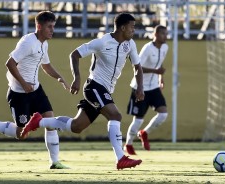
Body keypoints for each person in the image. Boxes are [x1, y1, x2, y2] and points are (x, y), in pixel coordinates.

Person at [20, 13, 145, 170]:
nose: (134, 30)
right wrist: (77, 78)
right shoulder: (102, 42)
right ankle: (120, 158)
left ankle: (39, 121)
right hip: (94, 86)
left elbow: (137, 67)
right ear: (123, 27)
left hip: (105, 90)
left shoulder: (130, 44)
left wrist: (140, 87)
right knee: (115, 115)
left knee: (76, 126)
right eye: (132, 27)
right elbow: (75, 54)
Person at [0, 11, 70, 169]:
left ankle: (55, 162)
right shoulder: (28, 42)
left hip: (36, 90)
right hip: (19, 93)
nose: (52, 30)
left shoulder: (44, 43)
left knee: (50, 121)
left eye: (54, 26)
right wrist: (24, 84)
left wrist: (60, 78)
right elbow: (10, 63)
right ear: (39, 26)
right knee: (22, 134)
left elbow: (46, 65)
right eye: (49, 27)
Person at [124, 25, 169, 155]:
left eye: (166, 34)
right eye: (163, 34)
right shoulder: (147, 48)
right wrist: (156, 71)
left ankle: (144, 133)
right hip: (140, 87)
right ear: (156, 35)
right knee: (138, 120)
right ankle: (128, 144)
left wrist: (160, 78)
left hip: (154, 87)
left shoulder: (165, 47)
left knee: (163, 114)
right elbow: (138, 67)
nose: (165, 36)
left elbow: (159, 64)